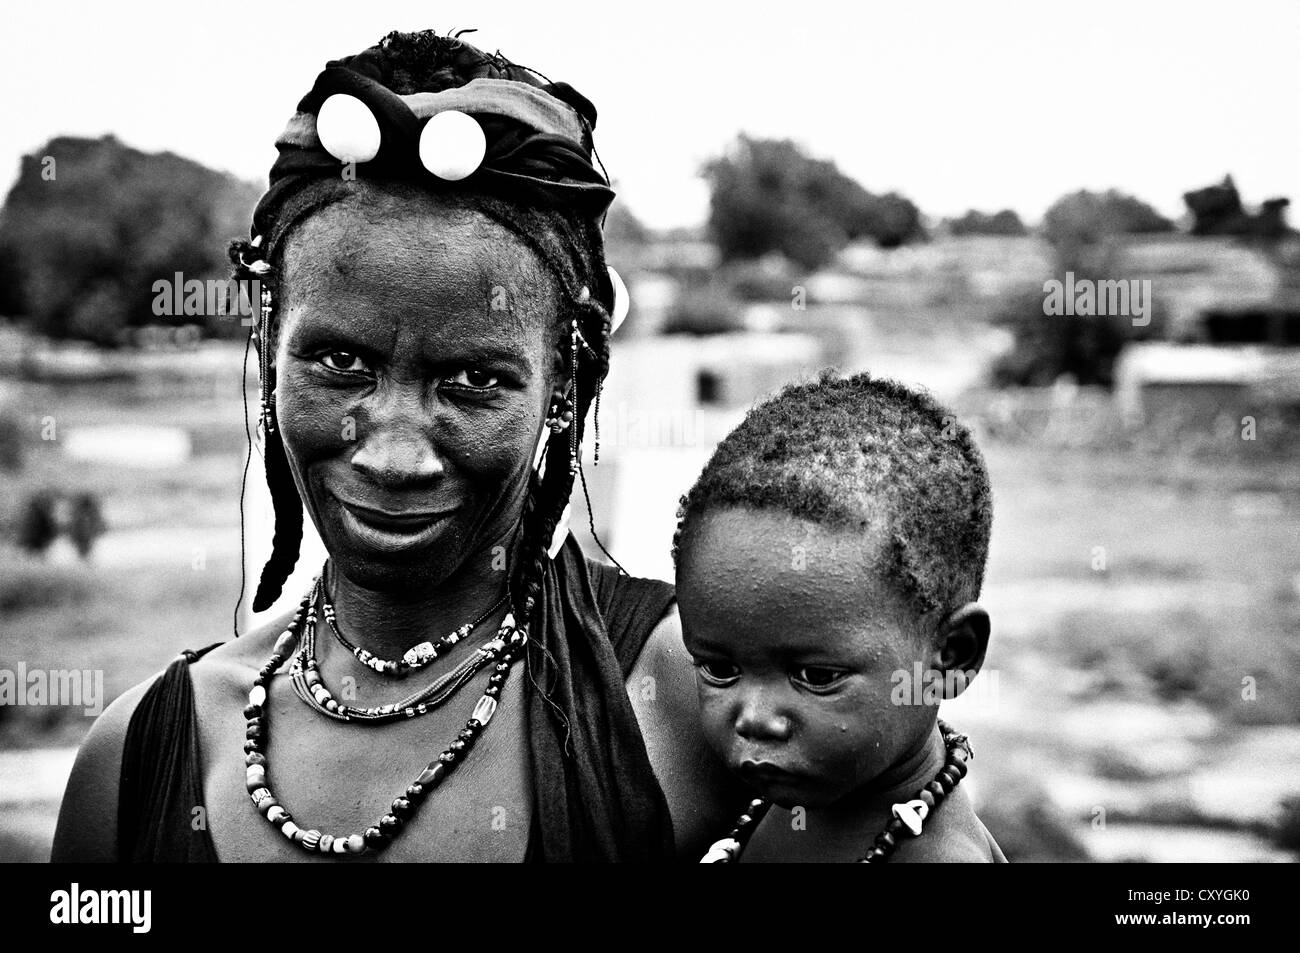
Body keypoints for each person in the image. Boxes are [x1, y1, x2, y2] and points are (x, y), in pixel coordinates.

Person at [52, 29, 739, 863]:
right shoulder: (138, 758)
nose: (393, 455)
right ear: (271, 349)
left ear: (567, 379)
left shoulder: (695, 699)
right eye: (341, 362)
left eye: (472, 381)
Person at [672, 372, 1008, 862]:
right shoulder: (784, 798)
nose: (755, 718)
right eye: (719, 670)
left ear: (949, 659)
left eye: (816, 676)